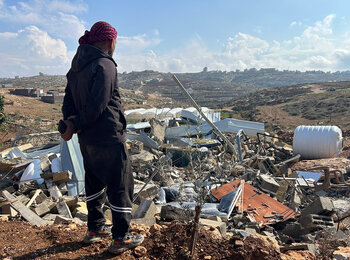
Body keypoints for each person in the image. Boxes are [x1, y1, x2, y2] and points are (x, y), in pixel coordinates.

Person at [61, 21, 143, 254]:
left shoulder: (76, 68)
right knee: (120, 184)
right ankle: (121, 237)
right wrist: (76, 123)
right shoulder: (105, 64)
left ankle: (95, 228)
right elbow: (99, 103)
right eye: (115, 41)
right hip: (108, 135)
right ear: (110, 41)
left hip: (86, 139)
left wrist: (71, 123)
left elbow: (68, 102)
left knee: (94, 181)